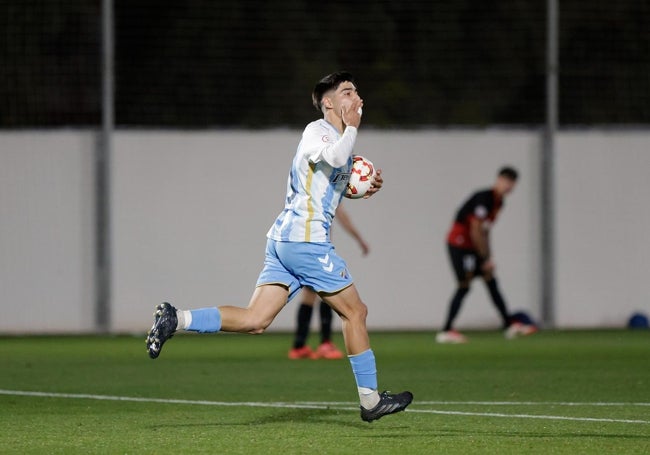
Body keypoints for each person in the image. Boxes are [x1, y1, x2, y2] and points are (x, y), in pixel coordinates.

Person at [146, 71, 413, 422]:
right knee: (355, 313)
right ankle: (370, 400)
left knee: (255, 319)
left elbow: (331, 181)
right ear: (328, 103)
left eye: (357, 92)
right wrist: (352, 130)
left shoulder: (338, 141)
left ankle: (175, 318)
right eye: (347, 92)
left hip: (286, 241)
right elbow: (334, 158)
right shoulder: (318, 131)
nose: (356, 98)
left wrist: (362, 185)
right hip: (306, 242)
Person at [436, 166, 537, 343]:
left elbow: (485, 231)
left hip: (473, 247)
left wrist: (488, 257)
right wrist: (483, 258)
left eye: (512, 183)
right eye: (505, 181)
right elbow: (475, 229)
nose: (508, 186)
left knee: (491, 280)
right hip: (460, 245)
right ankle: (446, 330)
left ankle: (508, 324)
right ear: (498, 180)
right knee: (464, 284)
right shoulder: (484, 198)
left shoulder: (499, 203)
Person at [288, 204, 370, 360]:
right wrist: (359, 239)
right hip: (316, 251)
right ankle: (324, 344)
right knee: (329, 292)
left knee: (309, 296)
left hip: (306, 249)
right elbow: (343, 217)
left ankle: (299, 346)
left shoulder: (306, 194)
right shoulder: (324, 192)